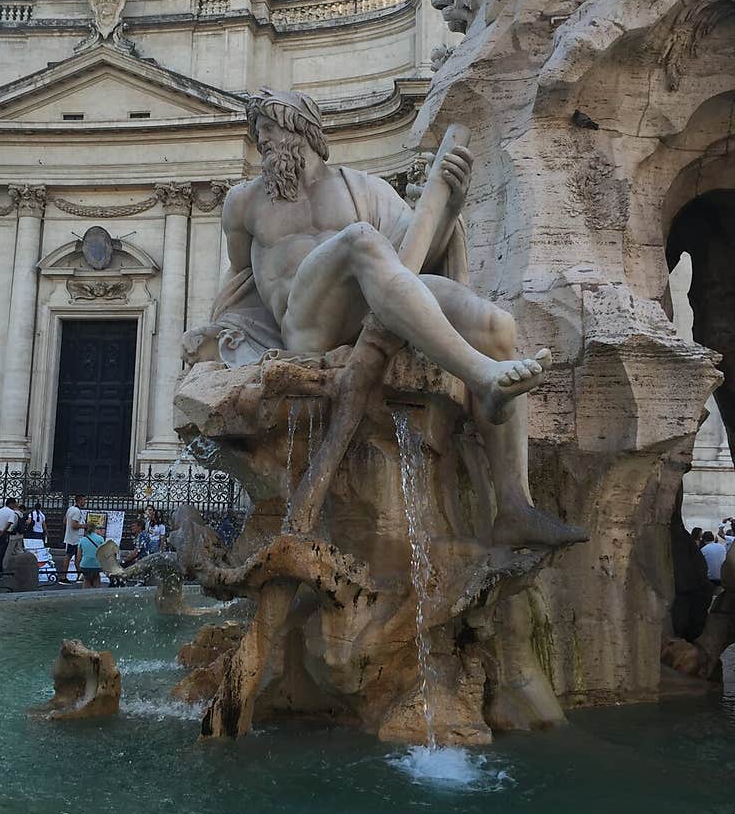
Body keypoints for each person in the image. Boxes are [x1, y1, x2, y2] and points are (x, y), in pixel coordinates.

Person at [192, 88, 584, 548]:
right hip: (306, 325)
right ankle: (483, 376)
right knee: (360, 239)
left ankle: (515, 505)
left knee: (497, 326)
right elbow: (240, 276)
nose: (264, 144)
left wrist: (451, 207)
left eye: (271, 131)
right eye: (260, 136)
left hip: (372, 309)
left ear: (304, 131)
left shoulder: (365, 189)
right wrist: (222, 330)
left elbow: (414, 260)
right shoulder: (244, 202)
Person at [0, 495, 19, 578]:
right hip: (5, 534)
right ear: (11, 504)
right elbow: (10, 523)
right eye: (15, 504)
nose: (15, 506)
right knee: (1, 555)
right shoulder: (11, 512)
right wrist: (2, 532)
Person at [62, 495, 87, 583]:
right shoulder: (77, 511)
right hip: (73, 539)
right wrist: (84, 526)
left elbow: (65, 521)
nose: (85, 502)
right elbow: (74, 525)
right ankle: (63, 577)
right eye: (84, 500)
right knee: (69, 556)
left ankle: (79, 576)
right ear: (79, 500)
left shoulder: (70, 509)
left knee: (78, 557)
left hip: (72, 537)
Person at [77, 518, 105, 589]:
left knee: (86, 579)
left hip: (85, 565)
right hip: (97, 565)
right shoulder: (100, 539)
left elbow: (78, 556)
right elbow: (104, 554)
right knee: (97, 579)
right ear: (94, 529)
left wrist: (79, 567)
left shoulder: (82, 540)